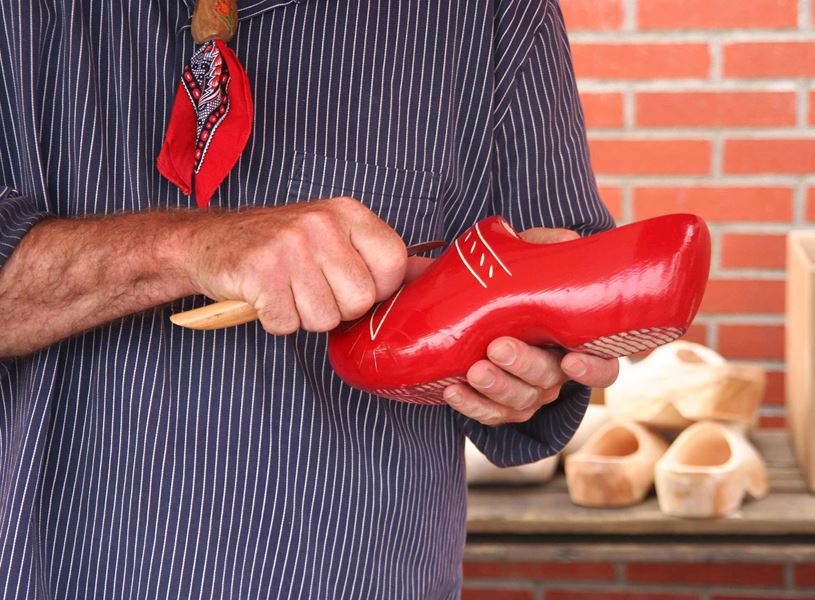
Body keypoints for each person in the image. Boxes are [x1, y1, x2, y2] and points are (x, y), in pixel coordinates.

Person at [0, 0, 618, 597]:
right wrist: (185, 249)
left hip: (359, 573)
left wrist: (538, 362)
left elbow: (561, 311)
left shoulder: (488, 13)